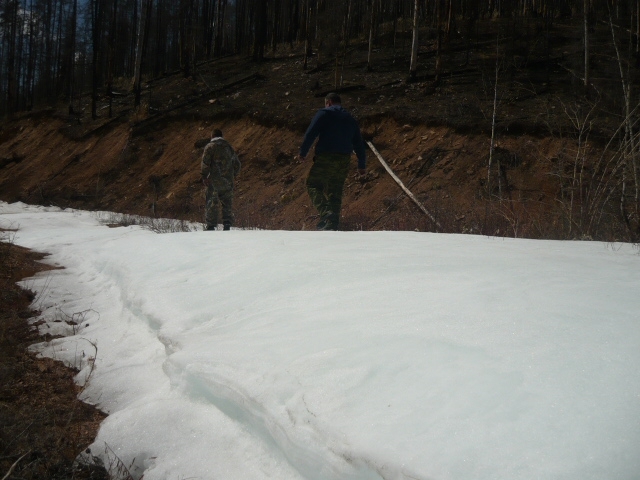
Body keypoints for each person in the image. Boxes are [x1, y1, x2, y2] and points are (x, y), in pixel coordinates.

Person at [297, 93, 366, 231]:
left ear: (328, 102)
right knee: (335, 190)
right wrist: (362, 164)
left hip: (326, 156)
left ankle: (326, 212)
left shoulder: (324, 114)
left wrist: (303, 152)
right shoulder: (350, 118)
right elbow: (359, 143)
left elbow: (311, 134)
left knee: (313, 184)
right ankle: (332, 225)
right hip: (344, 159)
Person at [201, 128, 241, 231]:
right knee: (227, 203)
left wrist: (204, 176)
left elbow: (205, 164)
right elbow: (237, 164)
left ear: (212, 136)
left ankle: (211, 226)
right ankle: (227, 224)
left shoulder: (210, 147)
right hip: (227, 180)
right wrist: (232, 175)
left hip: (214, 180)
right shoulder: (228, 147)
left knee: (212, 202)